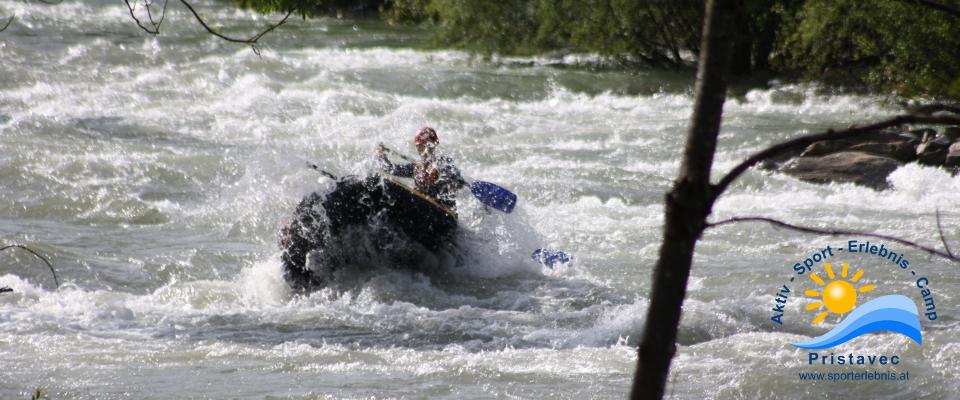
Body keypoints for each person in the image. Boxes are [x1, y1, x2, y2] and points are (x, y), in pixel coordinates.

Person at [377, 127, 465, 210]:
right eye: (420, 147)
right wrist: (381, 155)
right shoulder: (416, 168)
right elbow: (389, 169)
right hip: (422, 207)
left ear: (434, 146)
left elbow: (457, 179)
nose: (424, 150)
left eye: (428, 146)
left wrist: (442, 173)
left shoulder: (444, 163)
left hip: (443, 210)